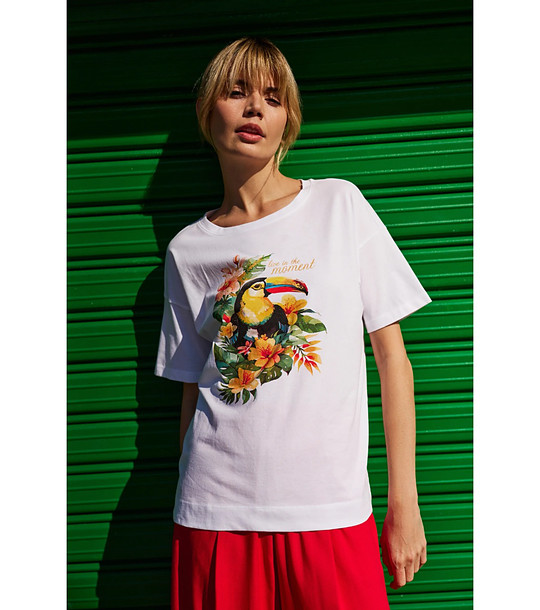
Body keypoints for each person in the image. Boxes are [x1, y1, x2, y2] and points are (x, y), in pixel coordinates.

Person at [155, 36, 430, 610]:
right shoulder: (187, 250)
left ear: (288, 122)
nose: (255, 107)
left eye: (273, 98)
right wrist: (189, 497)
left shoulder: (339, 206)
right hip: (215, 514)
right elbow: (191, 387)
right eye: (237, 91)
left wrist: (403, 504)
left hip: (331, 509)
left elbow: (393, 362)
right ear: (207, 111)